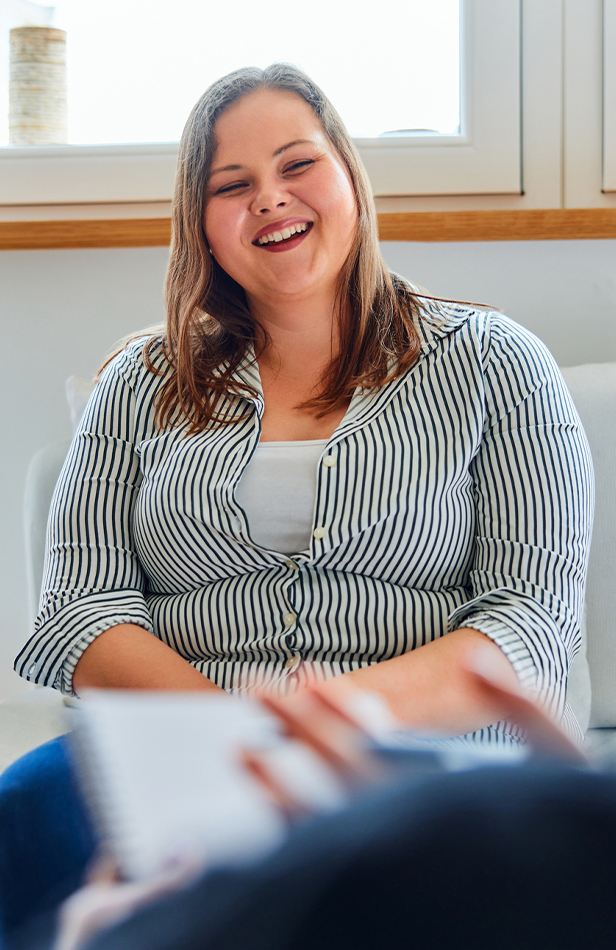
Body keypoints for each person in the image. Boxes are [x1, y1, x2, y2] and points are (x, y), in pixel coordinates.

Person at [3, 61, 593, 939]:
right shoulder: (139, 382)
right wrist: (236, 737)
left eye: (297, 164)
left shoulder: (497, 363)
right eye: (231, 185)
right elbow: (80, 613)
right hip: (176, 757)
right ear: (202, 226)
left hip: (412, 764)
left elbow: (529, 624)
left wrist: (331, 730)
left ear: (350, 175)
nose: (270, 199)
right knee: (25, 831)